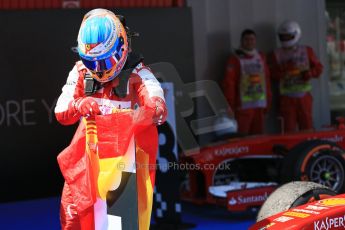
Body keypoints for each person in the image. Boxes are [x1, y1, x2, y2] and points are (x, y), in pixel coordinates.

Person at [54, 8, 167, 230]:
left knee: (120, 225)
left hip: (123, 166)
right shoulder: (79, 71)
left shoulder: (139, 72)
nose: (98, 70)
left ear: (122, 47)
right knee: (72, 221)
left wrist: (156, 107)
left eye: (104, 62)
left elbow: (155, 96)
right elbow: (61, 110)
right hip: (86, 163)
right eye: (92, 62)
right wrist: (79, 104)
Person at [270, 20, 323, 133]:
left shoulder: (306, 51)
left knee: (307, 126)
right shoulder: (276, 53)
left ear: (296, 35)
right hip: (286, 97)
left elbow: (319, 68)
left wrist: (309, 73)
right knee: (288, 129)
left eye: (288, 36)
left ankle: (309, 148)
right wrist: (285, 71)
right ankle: (290, 150)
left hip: (304, 96)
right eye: (283, 37)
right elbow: (271, 74)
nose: (285, 39)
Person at [222, 29, 271, 135]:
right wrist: (230, 105)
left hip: (259, 105)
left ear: (255, 41)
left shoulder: (261, 57)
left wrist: (268, 102)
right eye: (246, 39)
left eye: (252, 39)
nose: (249, 42)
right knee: (242, 137)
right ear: (241, 41)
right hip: (243, 107)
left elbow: (266, 80)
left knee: (258, 137)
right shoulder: (235, 59)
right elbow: (229, 84)